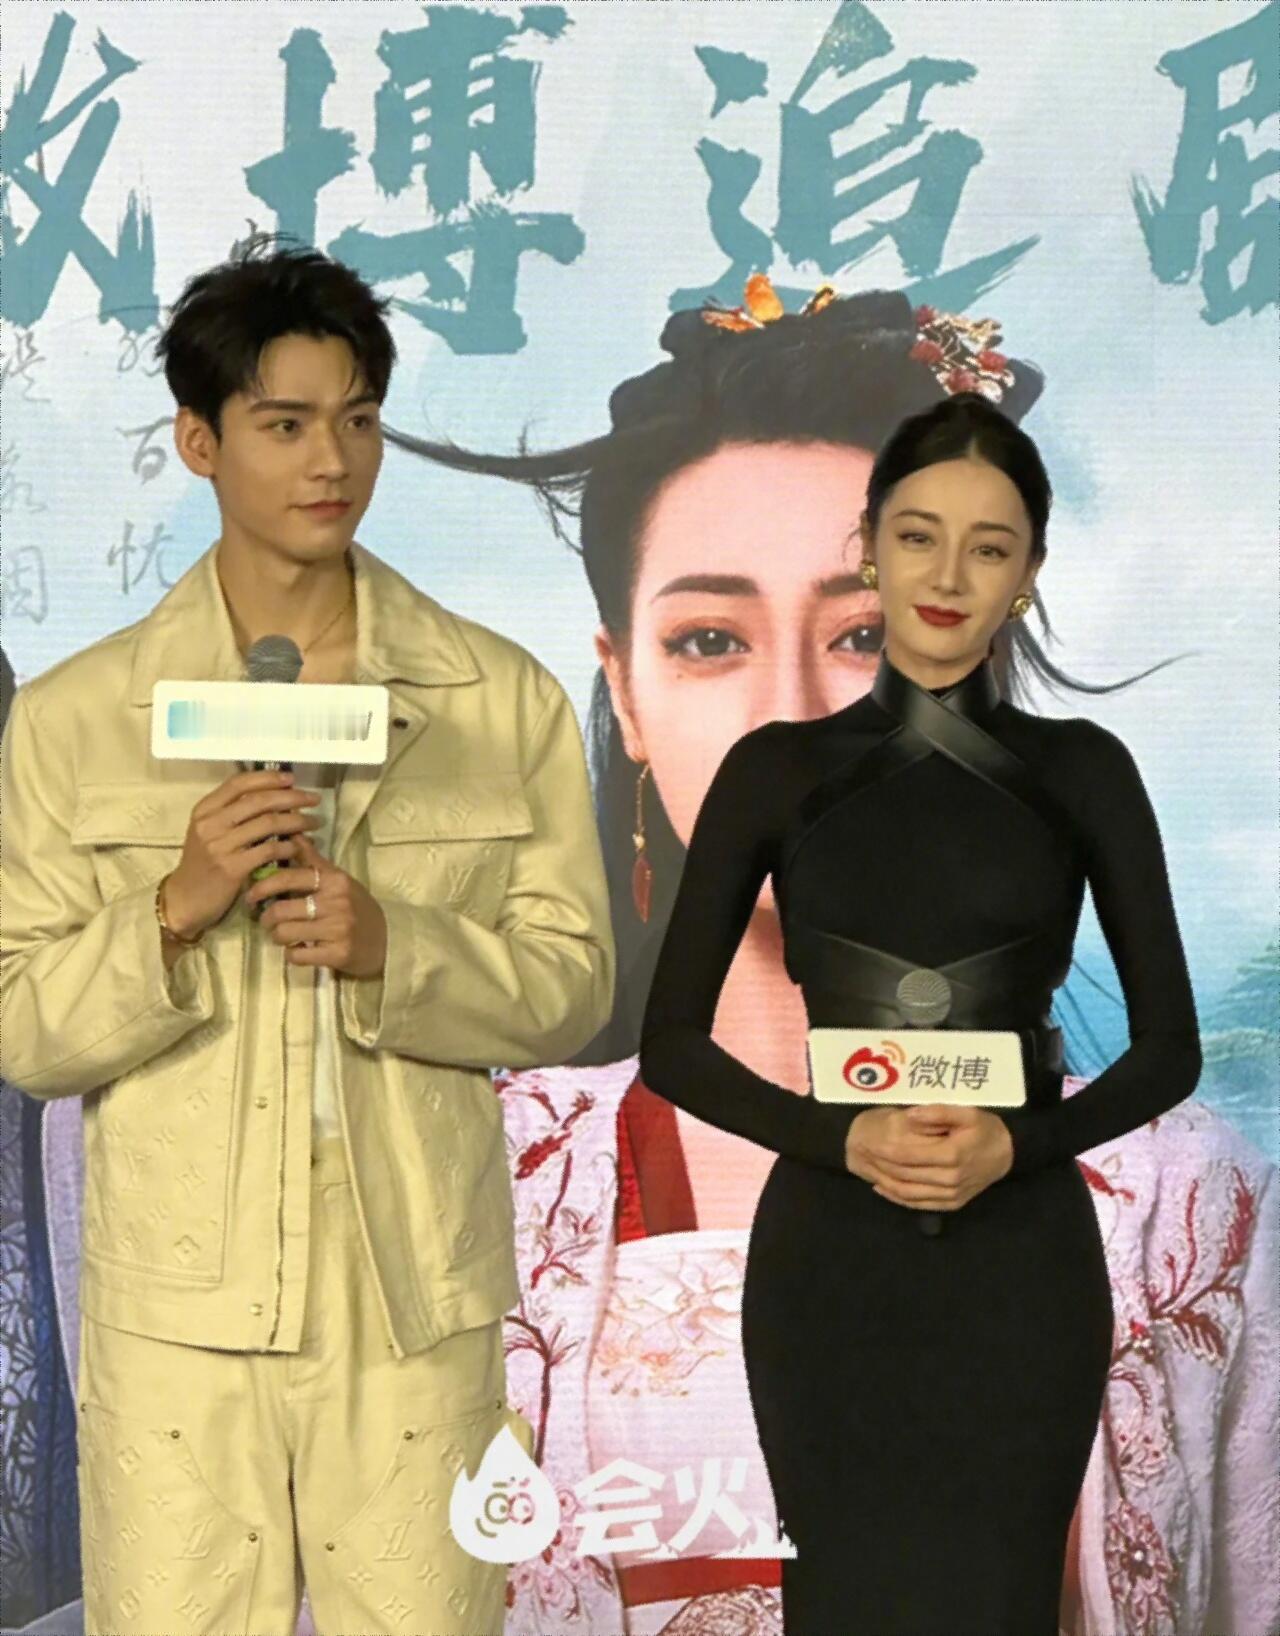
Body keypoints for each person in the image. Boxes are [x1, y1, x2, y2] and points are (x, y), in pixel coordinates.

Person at [386, 283, 1276, 1636]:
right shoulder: (482, 1174)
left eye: (858, 632)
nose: (791, 704)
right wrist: (842, 1141)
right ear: (624, 690)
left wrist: (1016, 1147)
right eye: (709, 641)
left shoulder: (1181, 1203)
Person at [0, 238, 614, 1636]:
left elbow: (575, 984)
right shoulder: (78, 717)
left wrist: (399, 944)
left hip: (412, 1303)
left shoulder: (494, 697)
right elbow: (24, 1029)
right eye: (283, 425)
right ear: (200, 442)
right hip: (177, 1315)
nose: (330, 461)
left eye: (358, 419)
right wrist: (175, 904)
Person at [634, 381, 1203, 1633]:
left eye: (988, 548)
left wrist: (1021, 1144)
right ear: (870, 548)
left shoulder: (1084, 771)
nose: (946, 575)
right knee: (837, 1600)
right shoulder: (774, 769)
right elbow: (668, 1041)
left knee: (1000, 1604)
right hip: (828, 1264)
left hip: (1020, 1264)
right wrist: (837, 1140)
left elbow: (1168, 1048)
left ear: (1027, 577)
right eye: (916, 535)